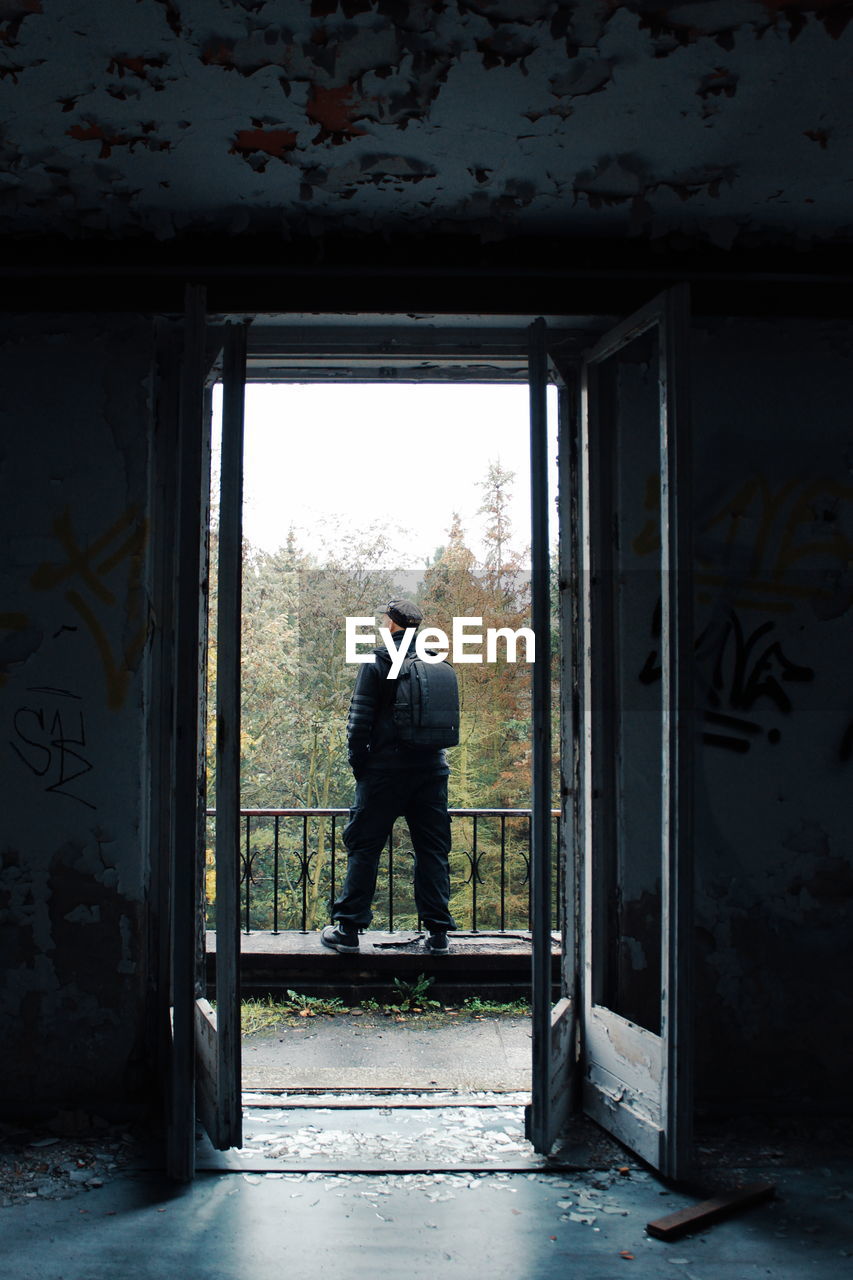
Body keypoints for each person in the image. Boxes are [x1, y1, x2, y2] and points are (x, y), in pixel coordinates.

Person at [321, 598, 457, 955]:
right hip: (431, 771)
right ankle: (439, 934)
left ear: (392, 624)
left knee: (364, 847)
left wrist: (361, 766)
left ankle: (348, 930)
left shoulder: (378, 661)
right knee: (432, 850)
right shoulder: (434, 660)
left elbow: (359, 720)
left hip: (383, 772)